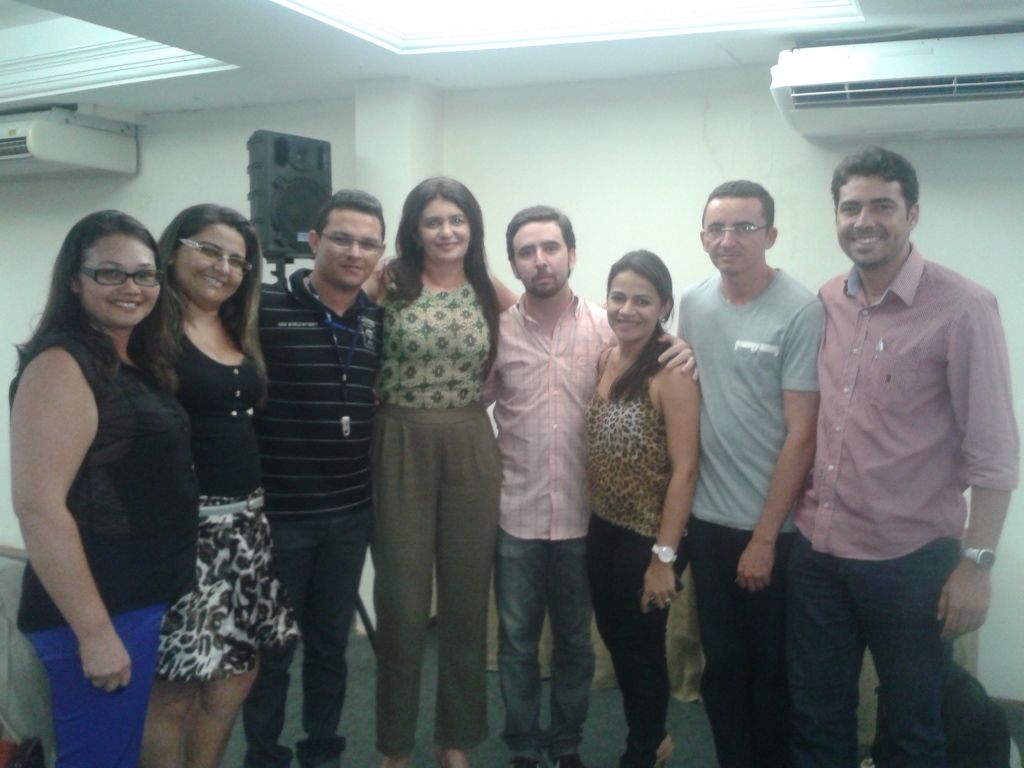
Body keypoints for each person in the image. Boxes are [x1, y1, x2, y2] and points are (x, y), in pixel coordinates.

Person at [787, 147, 1019, 767]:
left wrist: (976, 566)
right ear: (836, 216)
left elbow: (995, 454)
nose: (864, 221)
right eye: (850, 208)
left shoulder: (964, 307)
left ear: (912, 214)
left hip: (911, 563)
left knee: (913, 728)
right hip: (819, 555)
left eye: (882, 206)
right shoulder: (828, 299)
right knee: (816, 718)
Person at [10, 210, 198, 768]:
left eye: (144, 274)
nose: (131, 287)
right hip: (98, 608)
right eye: (110, 273)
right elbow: (38, 508)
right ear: (75, 279)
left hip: (137, 598)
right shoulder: (61, 365)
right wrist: (93, 634)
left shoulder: (129, 357)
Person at [141, 205, 299, 768]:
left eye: (237, 260)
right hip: (187, 533)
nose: (223, 267)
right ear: (172, 252)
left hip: (247, 528)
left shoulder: (236, 324)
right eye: (209, 250)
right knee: (177, 689)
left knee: (236, 675)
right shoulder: (146, 330)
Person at [677, 180, 822, 768]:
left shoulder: (801, 310)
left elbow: (802, 434)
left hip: (772, 530)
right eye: (716, 228)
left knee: (771, 671)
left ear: (771, 234)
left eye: (744, 227)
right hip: (707, 521)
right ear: (703, 236)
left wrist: (764, 539)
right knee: (722, 667)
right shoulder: (693, 304)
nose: (728, 239)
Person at [242, 190, 386, 768]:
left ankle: (322, 750)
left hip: (350, 514)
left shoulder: (375, 320)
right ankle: (264, 755)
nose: (355, 252)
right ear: (314, 241)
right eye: (342, 239)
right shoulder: (264, 307)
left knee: (330, 646)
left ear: (379, 252)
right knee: (272, 649)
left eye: (368, 243)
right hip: (281, 516)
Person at [372, 177, 503, 768]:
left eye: (457, 220)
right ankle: (395, 745)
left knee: (466, 601)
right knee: (401, 605)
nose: (447, 231)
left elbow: (553, 317)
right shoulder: (389, 282)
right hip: (398, 441)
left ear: (472, 227)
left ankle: (456, 739)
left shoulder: (486, 288)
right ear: (415, 230)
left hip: (470, 444)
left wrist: (657, 342)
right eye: (433, 221)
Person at [586, 250, 700, 768]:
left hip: (649, 536)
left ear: (664, 307)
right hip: (603, 526)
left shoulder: (672, 372)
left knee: (641, 649)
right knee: (617, 641)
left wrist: (663, 558)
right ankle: (650, 735)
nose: (627, 309)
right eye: (618, 297)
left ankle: (646, 747)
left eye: (642, 300)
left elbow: (686, 470)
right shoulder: (607, 357)